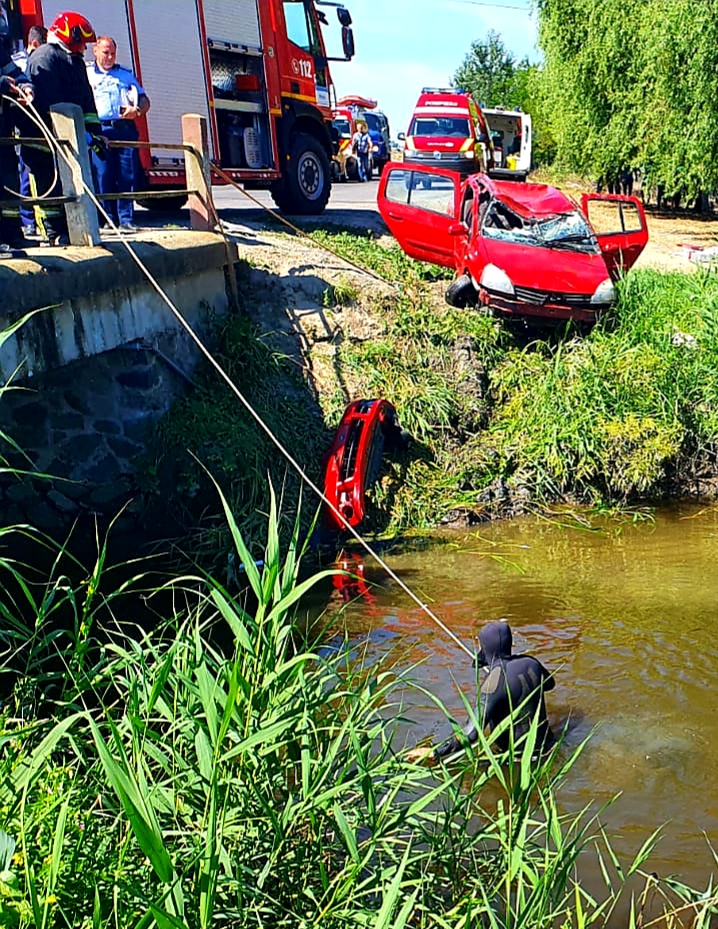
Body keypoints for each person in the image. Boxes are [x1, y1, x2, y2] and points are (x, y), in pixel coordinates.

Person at [406, 620, 555, 764]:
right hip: (548, 747)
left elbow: (472, 732)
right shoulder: (532, 663)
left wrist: (436, 751)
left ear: (485, 647)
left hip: (517, 759)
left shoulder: (493, 683)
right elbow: (550, 684)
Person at [24, 10, 103, 246]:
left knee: (72, 187)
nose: (84, 49)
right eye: (82, 43)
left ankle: (74, 229)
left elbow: (86, 101)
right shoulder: (44, 58)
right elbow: (50, 103)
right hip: (42, 138)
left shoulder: (74, 61)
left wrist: (95, 133)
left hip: (69, 140)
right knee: (48, 188)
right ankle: (52, 233)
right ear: (70, 37)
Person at [87, 35, 150, 232]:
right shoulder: (87, 74)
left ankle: (126, 219)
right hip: (100, 129)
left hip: (124, 129)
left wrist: (137, 111)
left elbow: (145, 100)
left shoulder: (125, 74)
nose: (110, 57)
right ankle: (108, 219)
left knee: (127, 175)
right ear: (95, 51)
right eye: (106, 52)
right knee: (103, 174)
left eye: (113, 53)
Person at [0, 0, 33, 257]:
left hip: (3, 128)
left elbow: (13, 70)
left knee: (8, 179)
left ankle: (12, 233)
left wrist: (25, 85)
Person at [12, 25, 46, 237]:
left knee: (33, 175)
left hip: (39, 125)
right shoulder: (20, 61)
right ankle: (27, 221)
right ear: (35, 44)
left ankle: (27, 226)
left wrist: (27, 87)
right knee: (25, 176)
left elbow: (21, 79)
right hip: (22, 127)